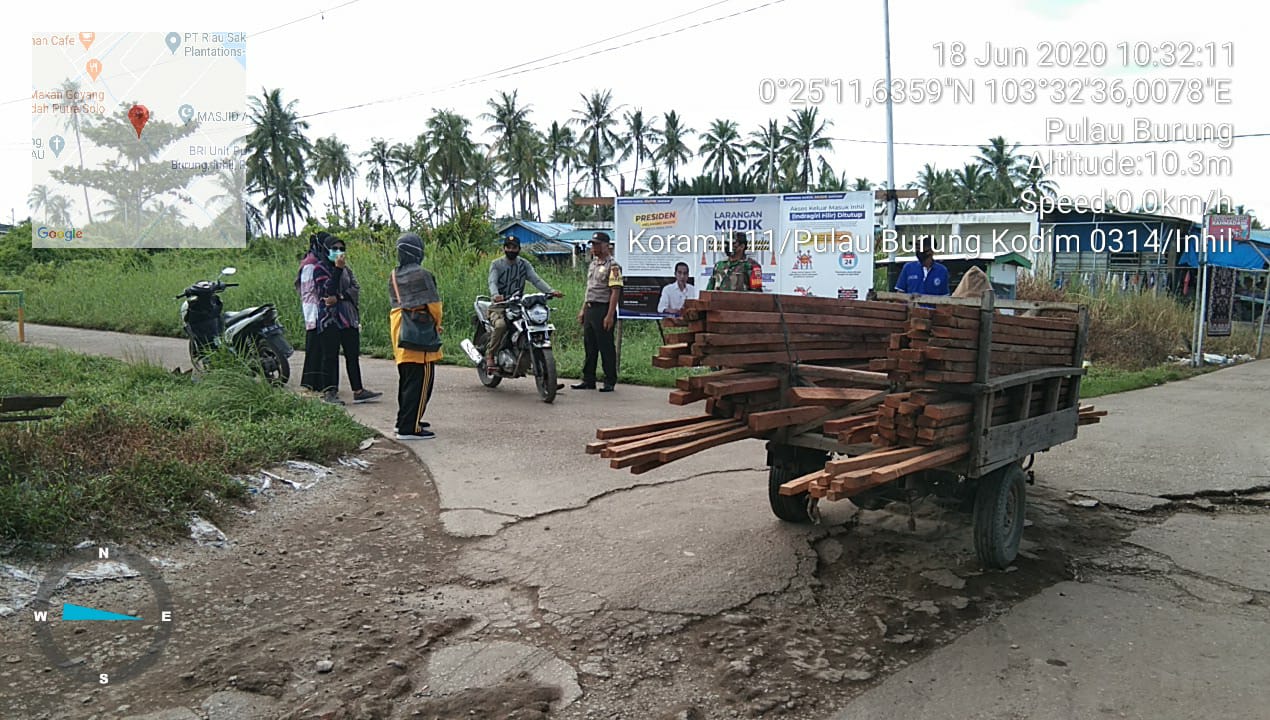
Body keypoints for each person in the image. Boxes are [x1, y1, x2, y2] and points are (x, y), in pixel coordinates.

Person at [313, 234, 383, 405]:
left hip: (348, 318)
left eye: (341, 249)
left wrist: (340, 297)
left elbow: (355, 288)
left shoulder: (347, 270)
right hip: (329, 320)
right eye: (334, 248)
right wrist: (336, 270)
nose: (338, 252)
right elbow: (326, 291)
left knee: (352, 355)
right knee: (330, 356)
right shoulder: (319, 269)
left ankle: (358, 391)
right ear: (326, 250)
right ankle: (330, 392)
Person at [389, 232, 443, 440]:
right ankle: (410, 428)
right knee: (421, 381)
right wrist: (437, 325)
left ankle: (404, 420)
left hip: (400, 326)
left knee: (407, 379)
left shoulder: (394, 274)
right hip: (418, 330)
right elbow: (434, 305)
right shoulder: (422, 274)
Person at [485, 235, 563, 372]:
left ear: (519, 249)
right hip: (499, 306)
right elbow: (492, 282)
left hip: (518, 305)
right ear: (504, 248)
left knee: (533, 324)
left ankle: (545, 370)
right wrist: (495, 295)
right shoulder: (496, 264)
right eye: (508, 247)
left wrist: (551, 291)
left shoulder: (524, 264)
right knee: (500, 325)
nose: (511, 250)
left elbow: (536, 280)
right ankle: (490, 355)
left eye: (514, 247)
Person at [572, 231, 623, 392]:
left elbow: (615, 291)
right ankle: (588, 379)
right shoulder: (593, 264)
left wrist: (609, 315)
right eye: (593, 244)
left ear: (606, 245)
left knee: (605, 346)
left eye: (597, 244)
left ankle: (609, 380)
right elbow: (590, 289)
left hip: (603, 308)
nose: (594, 247)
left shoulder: (613, 266)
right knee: (590, 346)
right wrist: (583, 310)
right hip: (590, 308)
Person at [295, 232, 326, 392]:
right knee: (314, 348)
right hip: (313, 310)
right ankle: (309, 383)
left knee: (319, 349)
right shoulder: (310, 264)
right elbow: (307, 291)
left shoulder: (318, 262)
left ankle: (318, 383)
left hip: (319, 310)